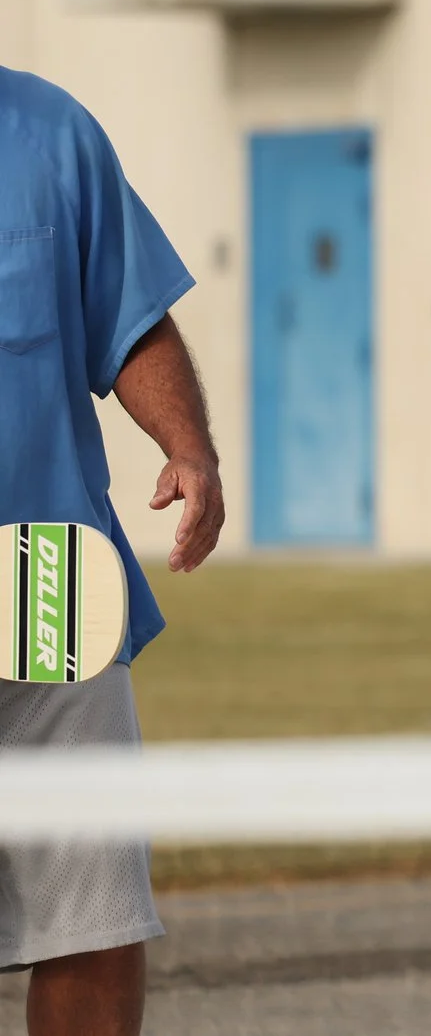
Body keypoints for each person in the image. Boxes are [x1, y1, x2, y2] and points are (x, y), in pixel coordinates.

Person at [0, 67, 226, 1036]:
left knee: (90, 911)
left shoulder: (51, 131)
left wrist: (188, 445)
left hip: (39, 567)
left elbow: (128, 315)